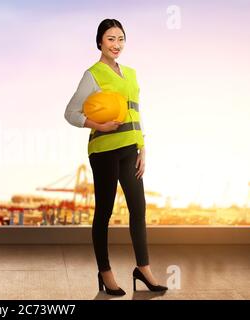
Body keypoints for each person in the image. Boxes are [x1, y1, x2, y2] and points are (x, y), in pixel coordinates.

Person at [64, 18, 168, 296]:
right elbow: (70, 113)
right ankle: (105, 271)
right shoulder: (93, 74)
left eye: (121, 39)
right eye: (111, 39)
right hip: (104, 151)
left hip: (130, 148)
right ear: (100, 41)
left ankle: (143, 269)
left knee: (139, 208)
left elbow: (136, 111)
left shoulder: (131, 74)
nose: (116, 44)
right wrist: (97, 125)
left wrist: (142, 146)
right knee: (105, 212)